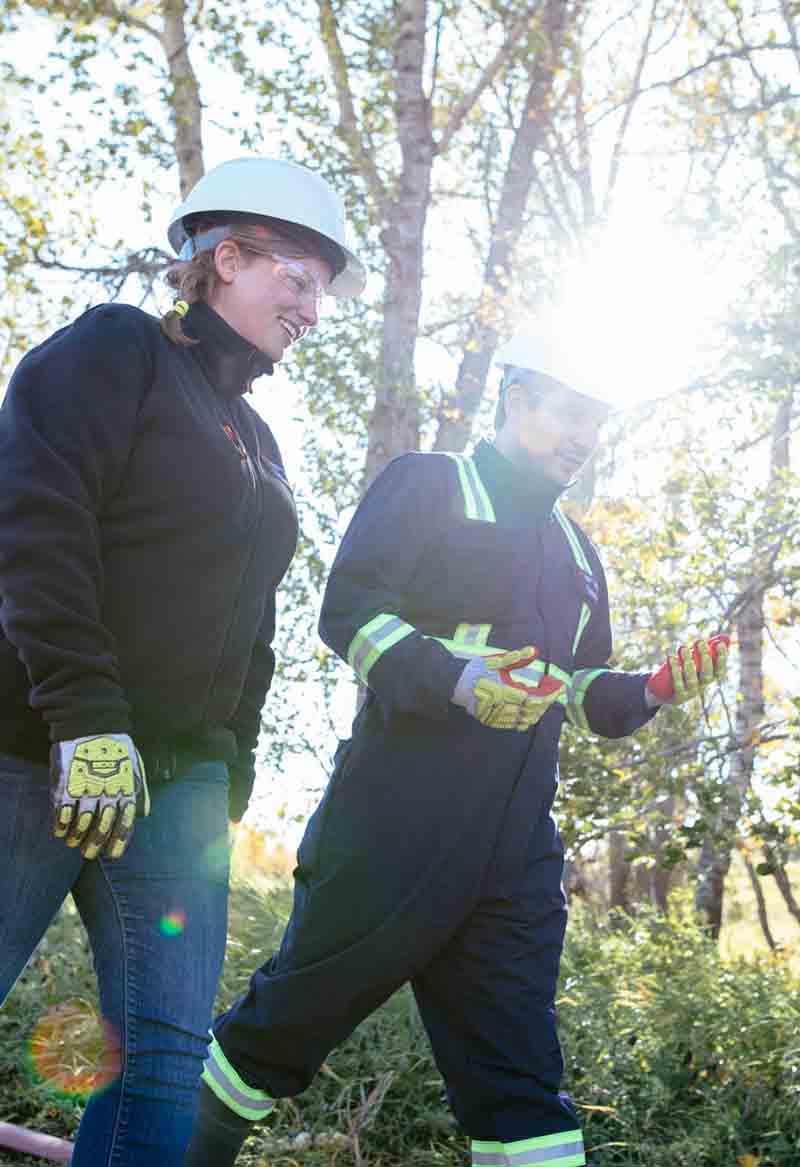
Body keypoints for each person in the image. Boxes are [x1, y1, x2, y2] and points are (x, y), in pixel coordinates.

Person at [183, 334, 728, 1167]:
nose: (584, 436)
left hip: (514, 862)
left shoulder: (581, 557)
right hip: (392, 829)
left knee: (523, 1090)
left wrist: (652, 688)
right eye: (571, 412)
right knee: (279, 1030)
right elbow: (350, 614)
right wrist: (457, 677)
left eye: (599, 422)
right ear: (517, 396)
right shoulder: (426, 485)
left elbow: (582, 695)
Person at [0, 155, 365, 1167]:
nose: (312, 306)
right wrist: (82, 716)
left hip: (181, 788)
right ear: (226, 256)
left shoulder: (258, 440)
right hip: (34, 748)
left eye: (326, 289)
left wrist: (229, 767)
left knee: (162, 1056)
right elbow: (37, 528)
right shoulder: (112, 351)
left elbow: (253, 623)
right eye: (298, 276)